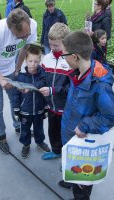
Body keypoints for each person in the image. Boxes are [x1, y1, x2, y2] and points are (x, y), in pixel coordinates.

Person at [59, 31, 114, 199]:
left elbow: (112, 115)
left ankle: (80, 193)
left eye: (64, 55)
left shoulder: (99, 84)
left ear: (75, 57)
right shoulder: (78, 73)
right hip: (71, 135)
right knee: (72, 171)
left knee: (83, 183)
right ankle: (71, 180)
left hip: (83, 141)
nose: (63, 58)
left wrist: (85, 125)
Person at [0, 9, 37, 154]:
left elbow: (25, 48)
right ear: (11, 30)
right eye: (22, 35)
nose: (27, 36)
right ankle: (1, 137)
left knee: (15, 100)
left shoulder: (32, 26)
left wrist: (17, 69)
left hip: (9, 69)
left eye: (28, 33)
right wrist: (0, 78)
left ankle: (17, 125)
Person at [39, 23, 70, 160]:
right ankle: (56, 151)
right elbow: (42, 78)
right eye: (50, 44)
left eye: (56, 45)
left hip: (66, 108)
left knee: (67, 135)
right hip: (51, 107)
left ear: (66, 43)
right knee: (53, 132)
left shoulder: (71, 61)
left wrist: (53, 90)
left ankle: (68, 158)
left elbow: (71, 89)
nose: (52, 48)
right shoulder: (46, 59)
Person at [13, 46, 50, 159]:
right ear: (25, 60)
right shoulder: (20, 76)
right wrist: (16, 109)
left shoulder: (42, 74)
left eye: (36, 61)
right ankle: (26, 144)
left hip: (39, 110)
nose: (33, 64)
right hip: (25, 111)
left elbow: (44, 86)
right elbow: (15, 94)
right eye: (30, 61)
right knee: (25, 130)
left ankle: (40, 142)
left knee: (39, 129)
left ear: (40, 61)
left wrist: (46, 107)